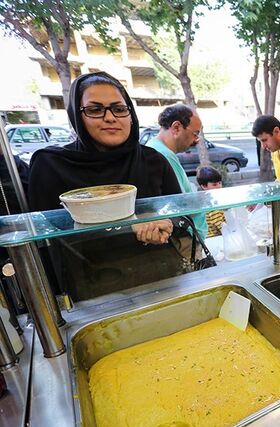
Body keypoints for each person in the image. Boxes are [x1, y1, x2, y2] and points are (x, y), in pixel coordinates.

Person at [28, 72, 186, 299]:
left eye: (119, 109)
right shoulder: (51, 164)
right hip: (90, 289)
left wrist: (164, 224)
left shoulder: (153, 160)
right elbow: (46, 240)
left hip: (162, 279)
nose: (110, 117)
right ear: (76, 115)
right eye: (95, 110)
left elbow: (181, 216)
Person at [145, 103, 208, 239]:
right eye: (195, 133)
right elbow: (182, 203)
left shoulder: (157, 149)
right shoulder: (163, 155)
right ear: (176, 128)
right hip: (186, 236)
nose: (196, 140)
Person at [196, 166, 225, 238]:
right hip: (215, 239)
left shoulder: (203, 200)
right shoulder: (212, 203)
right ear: (204, 186)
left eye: (219, 183)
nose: (219, 186)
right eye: (214, 184)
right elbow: (223, 228)